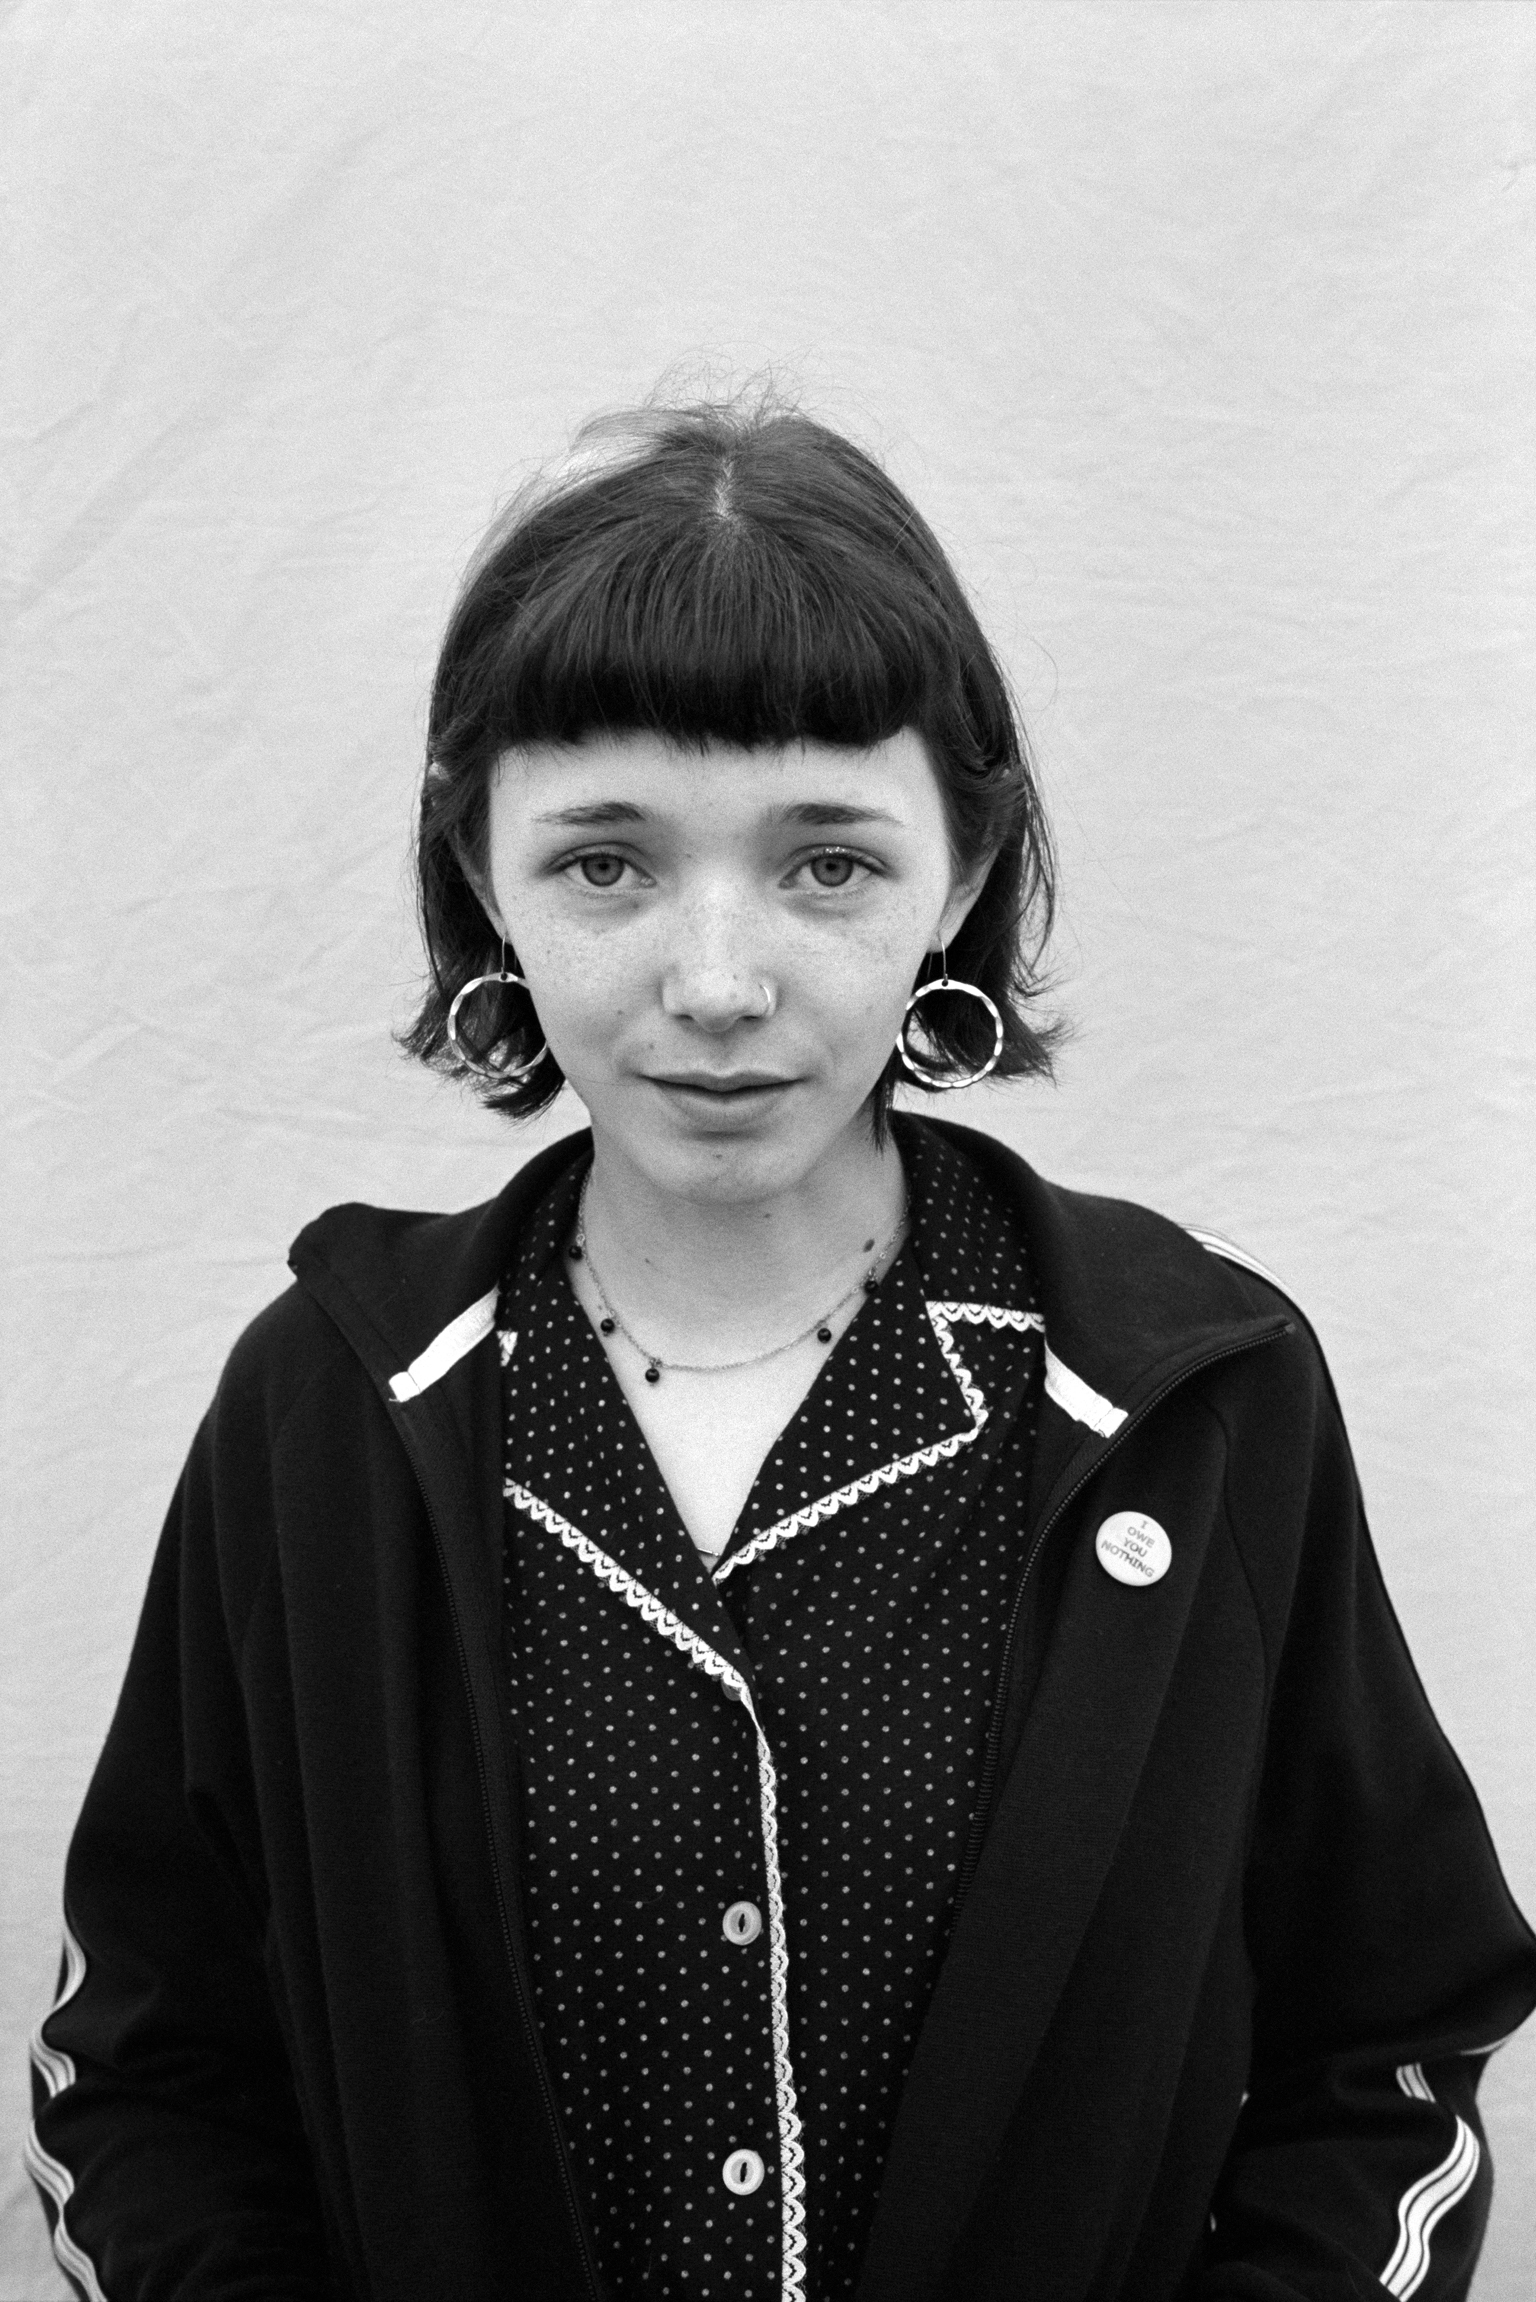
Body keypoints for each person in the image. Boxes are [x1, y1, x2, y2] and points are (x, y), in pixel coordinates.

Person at [27, 390, 1536, 2302]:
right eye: (608, 863)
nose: (718, 981)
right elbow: (144, 2072)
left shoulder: (1198, 1399)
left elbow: (1392, 2040)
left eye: (827, 862)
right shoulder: (322, 1409)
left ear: (963, 875)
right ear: (480, 866)